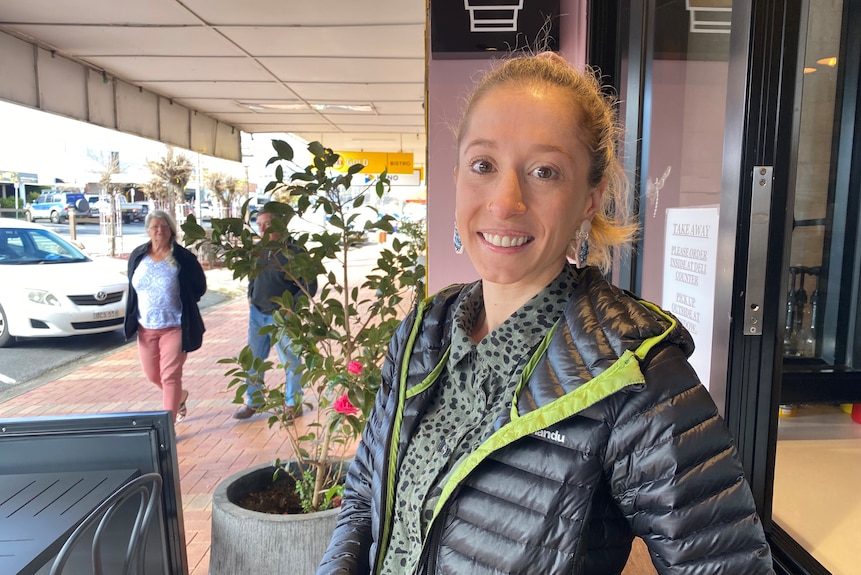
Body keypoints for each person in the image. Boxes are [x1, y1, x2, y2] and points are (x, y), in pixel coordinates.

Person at [317, 52, 775, 574]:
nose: (506, 200)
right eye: (483, 165)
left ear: (590, 198)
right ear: (457, 177)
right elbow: (361, 502)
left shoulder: (636, 375)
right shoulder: (423, 332)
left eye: (544, 171)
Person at [124, 210, 206, 425]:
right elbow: (133, 287)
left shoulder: (183, 258)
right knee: (152, 375)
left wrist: (183, 300)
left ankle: (168, 429)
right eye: (154, 226)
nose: (159, 230)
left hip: (175, 326)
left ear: (171, 229)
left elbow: (199, 287)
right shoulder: (138, 255)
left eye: (164, 226)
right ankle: (180, 396)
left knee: (170, 376)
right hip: (146, 326)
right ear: (148, 231)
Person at [233, 210, 316, 420]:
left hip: (282, 316)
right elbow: (253, 273)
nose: (262, 228)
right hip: (257, 313)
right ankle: (255, 401)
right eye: (259, 224)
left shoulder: (295, 250)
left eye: (267, 223)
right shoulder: (260, 249)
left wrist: (292, 306)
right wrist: (250, 294)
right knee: (253, 360)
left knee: (291, 361)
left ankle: (293, 403)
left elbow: (310, 284)